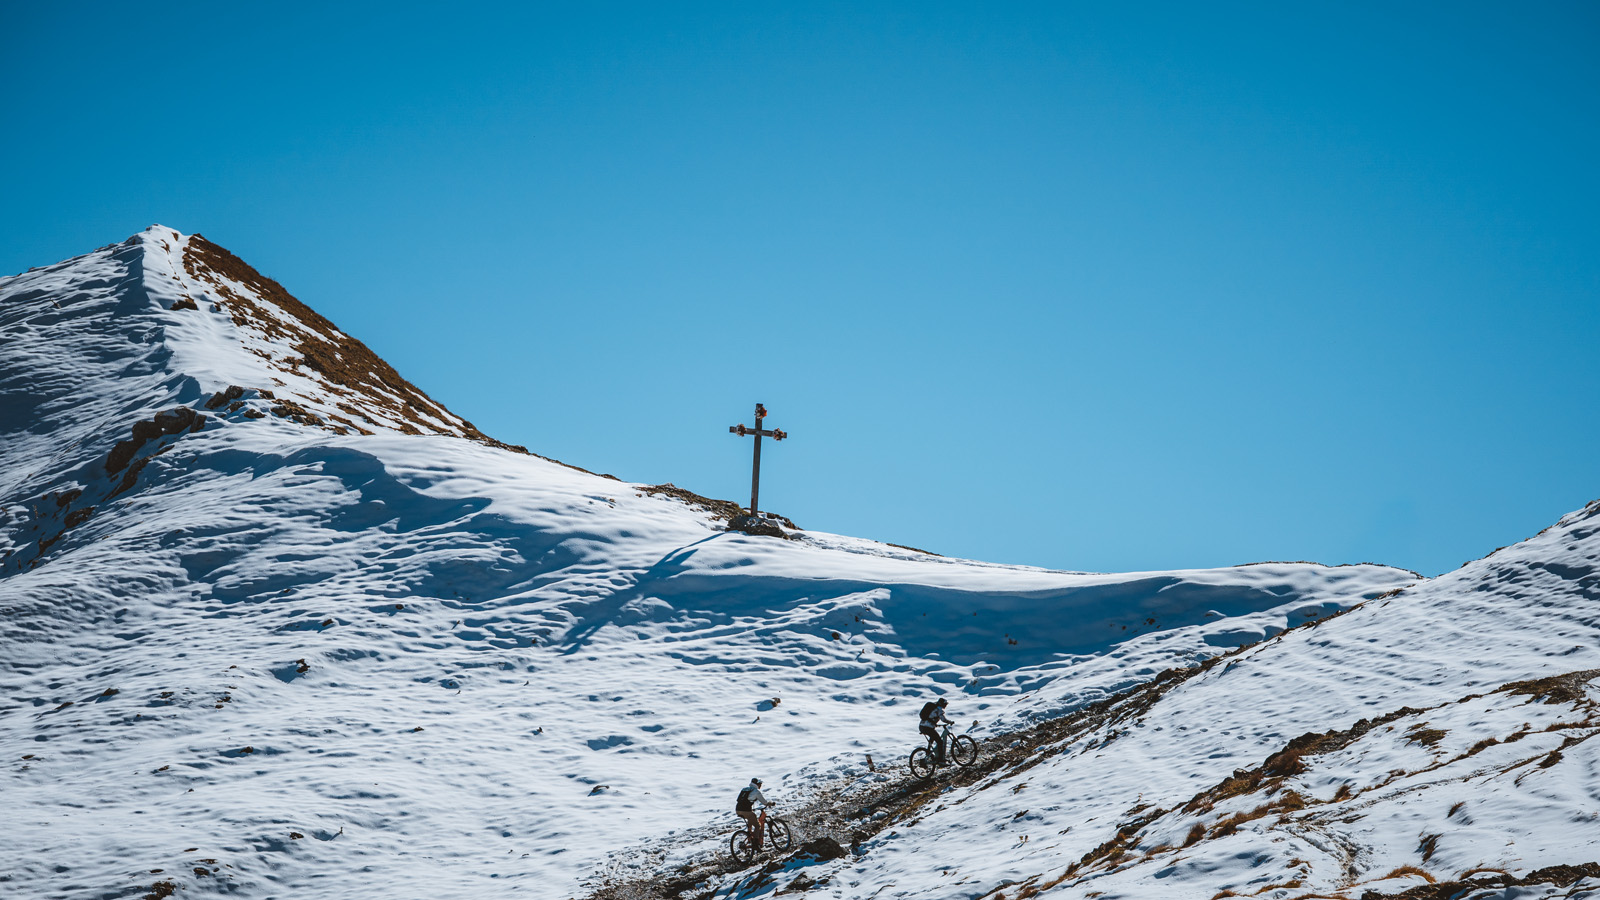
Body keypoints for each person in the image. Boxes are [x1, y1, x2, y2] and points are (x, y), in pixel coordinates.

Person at [735, 777, 769, 849]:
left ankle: (749, 836)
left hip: (738, 810)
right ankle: (755, 844)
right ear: (757, 784)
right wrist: (770, 803)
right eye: (760, 784)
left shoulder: (745, 789)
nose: (760, 786)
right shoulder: (756, 791)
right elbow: (764, 802)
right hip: (746, 811)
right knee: (757, 826)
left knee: (751, 820)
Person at [919, 697, 951, 762]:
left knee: (933, 738)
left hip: (922, 726)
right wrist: (950, 722)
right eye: (945, 704)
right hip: (927, 728)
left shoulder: (934, 707)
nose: (945, 706)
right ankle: (940, 760)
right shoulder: (939, 709)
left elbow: (931, 718)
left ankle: (928, 753)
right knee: (940, 741)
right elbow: (943, 719)